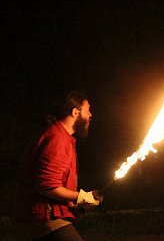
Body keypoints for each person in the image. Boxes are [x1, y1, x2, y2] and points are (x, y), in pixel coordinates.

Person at [15, 91, 103, 241]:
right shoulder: (58, 139)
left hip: (43, 219)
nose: (91, 115)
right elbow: (46, 186)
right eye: (88, 109)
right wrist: (80, 197)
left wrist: (75, 204)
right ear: (76, 112)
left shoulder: (60, 136)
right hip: (46, 220)